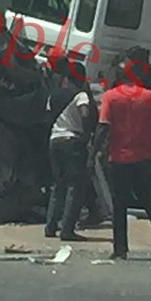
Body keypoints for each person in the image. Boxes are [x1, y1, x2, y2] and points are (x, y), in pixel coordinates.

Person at [91, 58, 151, 261]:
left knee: (120, 204)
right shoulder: (148, 96)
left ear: (119, 76)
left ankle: (120, 249)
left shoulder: (111, 96)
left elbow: (103, 126)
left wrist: (93, 153)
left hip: (119, 158)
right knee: (149, 200)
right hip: (143, 157)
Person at [44, 58, 97, 241]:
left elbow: (48, 116)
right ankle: (67, 230)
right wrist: (87, 134)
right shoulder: (80, 95)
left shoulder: (53, 95)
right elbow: (85, 112)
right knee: (75, 186)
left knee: (58, 185)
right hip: (72, 142)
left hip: (54, 141)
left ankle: (50, 226)